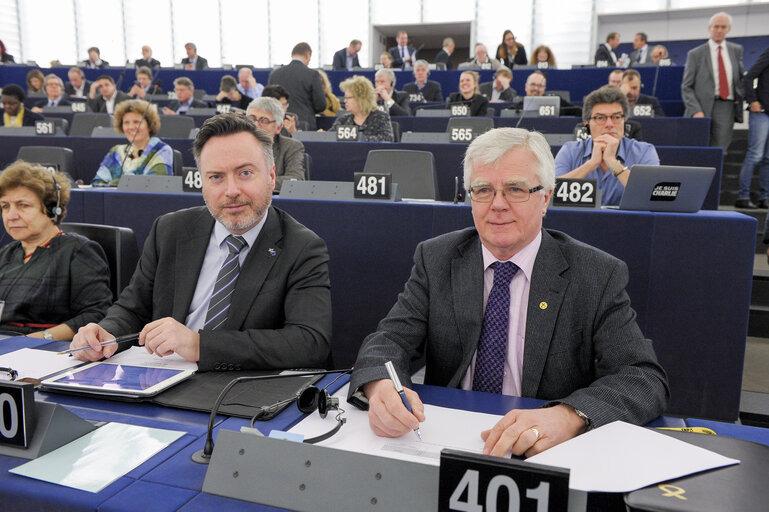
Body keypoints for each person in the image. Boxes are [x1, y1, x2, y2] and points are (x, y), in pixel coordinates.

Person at [348, 127, 668, 457]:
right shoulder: (438, 258)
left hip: (543, 450)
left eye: (515, 189)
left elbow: (641, 377)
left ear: (545, 198)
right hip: (445, 439)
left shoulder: (596, 274)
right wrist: (380, 386)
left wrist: (569, 416)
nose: (497, 205)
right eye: (483, 190)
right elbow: (389, 341)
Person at [70, 113, 332, 371]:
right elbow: (133, 308)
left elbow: (309, 342)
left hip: (240, 393)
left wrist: (199, 345)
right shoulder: (170, 229)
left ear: (271, 176)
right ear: (202, 182)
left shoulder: (302, 247)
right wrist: (107, 332)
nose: (231, 191)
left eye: (245, 173)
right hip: (160, 379)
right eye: (216, 177)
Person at [0, 161, 112, 340]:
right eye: (5, 206)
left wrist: (38, 338)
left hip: (44, 352)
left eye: (23, 205)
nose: (11, 216)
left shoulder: (77, 251)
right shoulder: (6, 254)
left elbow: (95, 315)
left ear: (53, 209)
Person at [554, 86, 660, 206]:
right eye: (600, 118)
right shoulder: (570, 150)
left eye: (616, 117)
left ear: (624, 120)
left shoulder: (645, 151)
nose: (609, 124)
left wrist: (613, 162)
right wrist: (591, 164)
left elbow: (652, 196)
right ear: (587, 123)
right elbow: (551, 193)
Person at [682, 12, 745, 151]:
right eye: (716, 26)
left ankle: (717, 173)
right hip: (701, 108)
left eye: (723, 27)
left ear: (728, 29)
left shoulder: (736, 50)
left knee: (720, 150)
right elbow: (686, 86)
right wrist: (695, 110)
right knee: (698, 149)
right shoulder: (695, 54)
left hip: (726, 107)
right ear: (709, 28)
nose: (719, 30)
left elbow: (740, 80)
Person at [92, 99, 174, 185]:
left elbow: (152, 184)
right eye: (126, 123)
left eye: (137, 122)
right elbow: (97, 182)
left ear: (149, 125)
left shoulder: (161, 150)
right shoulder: (116, 152)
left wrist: (114, 183)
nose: (131, 127)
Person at [247, 97, 305, 192]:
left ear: (278, 127)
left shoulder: (291, 147)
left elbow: (295, 180)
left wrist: (257, 182)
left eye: (264, 121)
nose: (256, 125)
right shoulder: (234, 146)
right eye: (252, 119)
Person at [735, 45, 769, 209]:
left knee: (768, 159)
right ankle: (743, 196)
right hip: (761, 111)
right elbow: (748, 78)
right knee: (755, 155)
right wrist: (752, 100)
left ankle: (765, 197)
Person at [268, 42, 325, 130]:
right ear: (308, 55)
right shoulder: (312, 74)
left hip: (278, 124)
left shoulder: (275, 74)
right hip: (305, 126)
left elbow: (269, 101)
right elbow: (321, 105)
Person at [330, 75, 393, 142]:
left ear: (361, 99)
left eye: (348, 98)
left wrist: (358, 138)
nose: (345, 101)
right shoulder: (343, 120)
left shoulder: (381, 117)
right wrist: (321, 134)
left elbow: (387, 139)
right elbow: (330, 137)